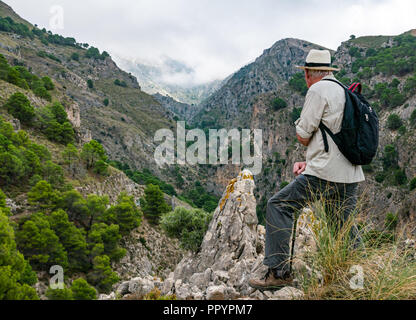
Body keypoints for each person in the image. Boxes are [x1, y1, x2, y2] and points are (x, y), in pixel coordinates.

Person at [248, 49, 365, 290]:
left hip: (325, 174)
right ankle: (359, 281)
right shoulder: (343, 91)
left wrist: (302, 131)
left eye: (306, 74)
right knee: (342, 226)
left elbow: (303, 135)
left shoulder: (317, 90)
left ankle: (278, 273)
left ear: (309, 74)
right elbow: (335, 140)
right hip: (351, 173)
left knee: (279, 205)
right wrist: (309, 163)